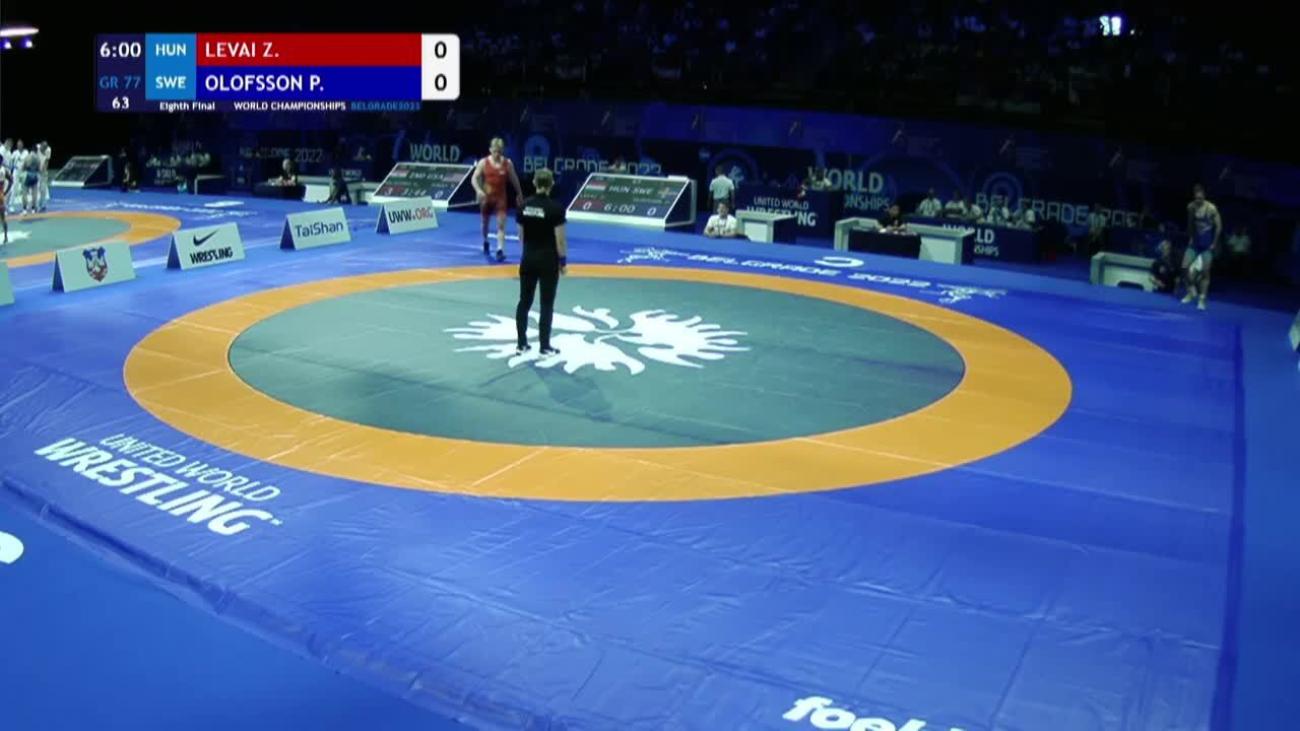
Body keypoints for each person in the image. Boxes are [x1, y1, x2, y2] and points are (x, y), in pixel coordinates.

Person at [514, 168, 567, 357]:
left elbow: (521, 237)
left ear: (534, 183)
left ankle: (521, 344)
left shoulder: (523, 207)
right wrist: (563, 261)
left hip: (528, 258)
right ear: (551, 184)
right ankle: (544, 346)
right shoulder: (556, 209)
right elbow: (560, 240)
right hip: (548, 261)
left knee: (524, 301)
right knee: (546, 303)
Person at [472, 137, 524, 262]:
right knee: (485, 223)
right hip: (486, 199)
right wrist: (478, 190)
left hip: (500, 199)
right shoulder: (483, 162)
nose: (497, 154)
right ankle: (485, 241)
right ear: (490, 150)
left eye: (499, 151)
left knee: (501, 225)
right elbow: (474, 178)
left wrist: (519, 193)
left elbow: (514, 179)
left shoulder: (507, 163)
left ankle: (500, 250)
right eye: (495, 151)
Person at [1182, 183, 1222, 310]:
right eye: (1196, 198)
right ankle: (1191, 290)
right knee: (1184, 267)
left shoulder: (1211, 208)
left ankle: (1202, 300)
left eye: (1200, 198)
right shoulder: (1191, 207)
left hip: (1207, 245)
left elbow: (1219, 226)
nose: (1198, 200)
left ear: (1204, 196)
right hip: (1194, 243)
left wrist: (1214, 243)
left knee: (1205, 272)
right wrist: (1190, 237)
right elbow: (1190, 224)